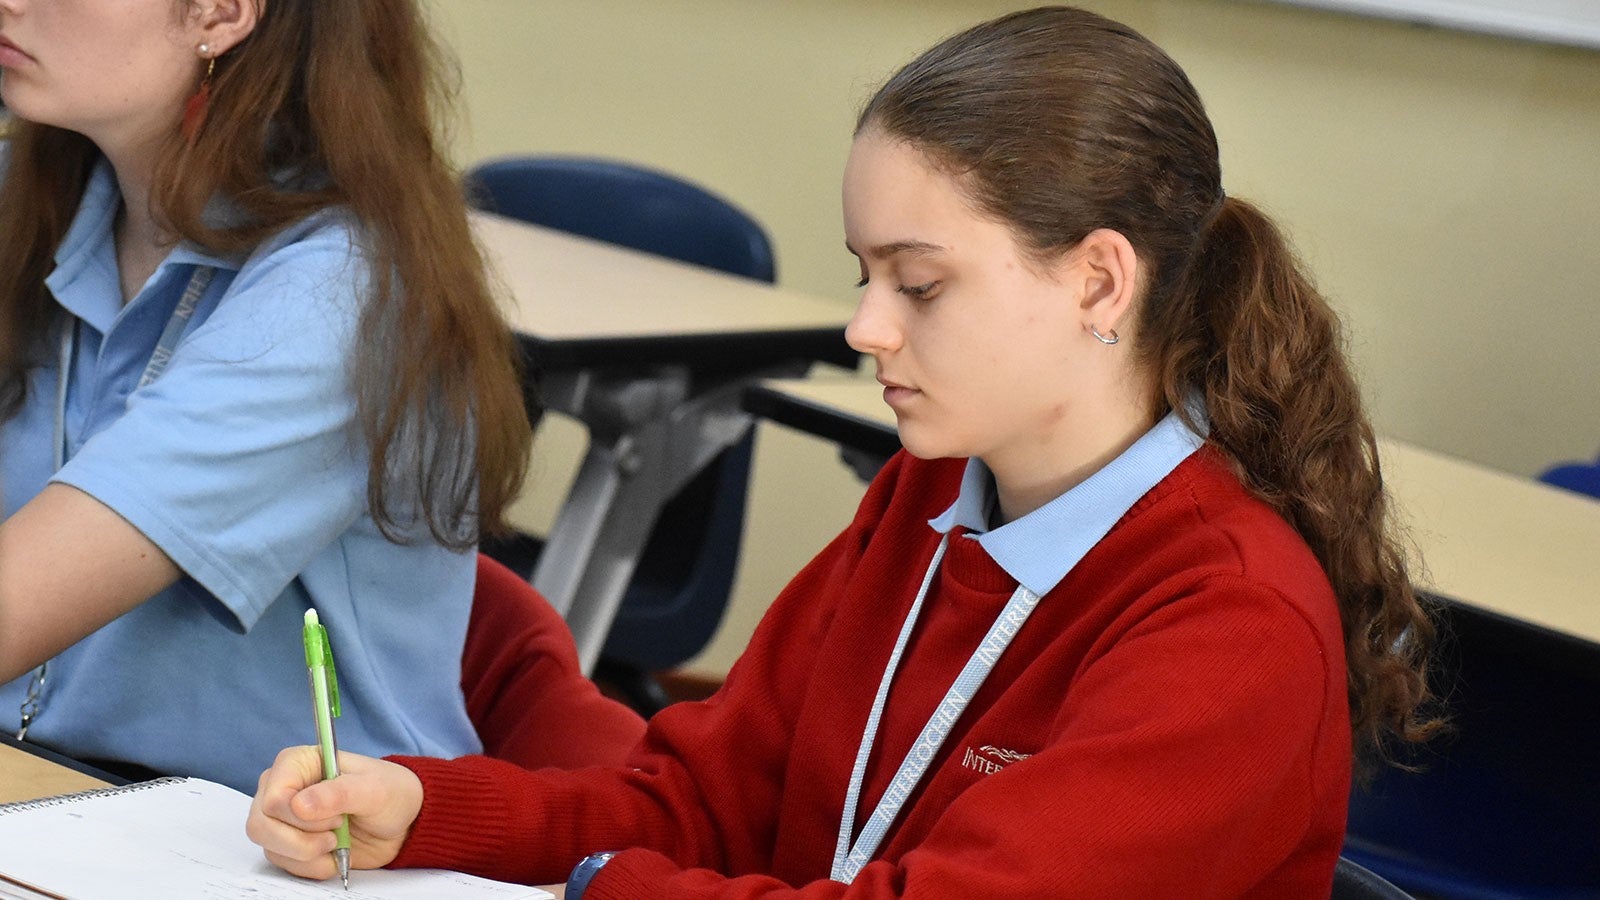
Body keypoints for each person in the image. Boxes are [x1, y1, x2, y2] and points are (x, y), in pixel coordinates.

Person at [247, 6, 1441, 897]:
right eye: (864, 275)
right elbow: (703, 801)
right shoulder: (931, 496)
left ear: (1097, 280)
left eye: (919, 284)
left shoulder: (1230, 622)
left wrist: (600, 887)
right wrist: (428, 810)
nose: (866, 327)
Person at [0, 0, 557, 791]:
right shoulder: (33, 200)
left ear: (221, 12)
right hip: (47, 786)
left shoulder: (346, 290)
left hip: (269, 833)